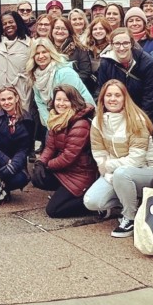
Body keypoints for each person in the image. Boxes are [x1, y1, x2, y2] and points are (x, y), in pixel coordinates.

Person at [83, 79, 153, 237]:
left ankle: (129, 218)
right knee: (91, 201)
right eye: (109, 95)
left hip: (147, 171)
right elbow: (99, 154)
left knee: (122, 174)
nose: (112, 99)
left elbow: (136, 160)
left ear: (125, 98)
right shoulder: (98, 122)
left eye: (117, 95)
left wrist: (109, 167)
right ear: (103, 99)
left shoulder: (136, 120)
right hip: (116, 173)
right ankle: (131, 200)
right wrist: (109, 171)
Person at [33, 85, 98, 218]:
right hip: (66, 170)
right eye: (58, 100)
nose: (61, 104)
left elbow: (68, 157)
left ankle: (96, 206)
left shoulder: (80, 123)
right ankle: (64, 194)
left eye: (66, 100)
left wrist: (47, 165)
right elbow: (50, 147)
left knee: (54, 211)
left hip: (80, 174)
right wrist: (40, 163)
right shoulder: (56, 119)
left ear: (73, 102)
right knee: (37, 177)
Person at [97, 28, 153, 132]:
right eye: (117, 43)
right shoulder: (105, 64)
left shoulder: (147, 63)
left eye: (125, 43)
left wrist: (141, 125)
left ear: (131, 44)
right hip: (116, 115)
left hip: (142, 112)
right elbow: (101, 93)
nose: (121, 48)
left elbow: (150, 98)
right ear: (111, 45)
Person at [27, 38, 93, 126]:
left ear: (51, 53)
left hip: (78, 118)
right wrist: (49, 123)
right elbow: (40, 102)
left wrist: (61, 125)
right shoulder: (36, 75)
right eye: (37, 53)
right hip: (55, 119)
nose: (41, 56)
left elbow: (75, 101)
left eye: (44, 52)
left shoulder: (64, 72)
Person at [0, 11, 34, 113]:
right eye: (4, 23)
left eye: (11, 22)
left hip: (20, 88)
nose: (8, 25)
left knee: (20, 121)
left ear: (18, 22)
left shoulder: (29, 43)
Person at [49, 16, 95, 95]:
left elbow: (85, 72)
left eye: (64, 29)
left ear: (69, 31)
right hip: (49, 90)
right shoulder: (46, 48)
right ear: (52, 30)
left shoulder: (80, 49)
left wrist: (68, 87)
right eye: (57, 28)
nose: (60, 31)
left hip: (74, 91)